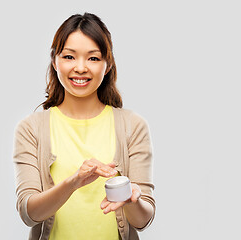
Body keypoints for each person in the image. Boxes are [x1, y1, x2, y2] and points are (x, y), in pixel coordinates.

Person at [13, 12, 155, 240]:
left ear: (107, 65)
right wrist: (73, 182)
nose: (80, 68)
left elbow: (142, 220)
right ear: (54, 61)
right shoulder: (31, 128)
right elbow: (29, 213)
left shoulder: (132, 126)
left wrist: (132, 199)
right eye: (69, 57)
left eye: (93, 58)